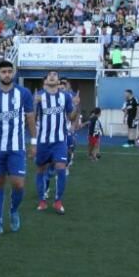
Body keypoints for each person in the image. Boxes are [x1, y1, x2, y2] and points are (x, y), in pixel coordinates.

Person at [0, 60, 35, 236]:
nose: (7, 74)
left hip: (17, 147)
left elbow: (30, 118)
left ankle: (13, 210)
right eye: (4, 72)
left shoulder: (23, 93)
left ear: (14, 73)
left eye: (10, 71)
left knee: (18, 184)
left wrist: (34, 143)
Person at [34, 71, 78, 214]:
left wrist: (76, 106)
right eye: (49, 75)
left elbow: (71, 117)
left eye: (55, 75)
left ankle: (58, 201)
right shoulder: (40, 97)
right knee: (41, 170)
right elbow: (32, 118)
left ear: (59, 81)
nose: (52, 76)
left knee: (61, 167)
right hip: (43, 141)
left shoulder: (65, 97)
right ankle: (42, 200)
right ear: (46, 80)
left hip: (59, 140)